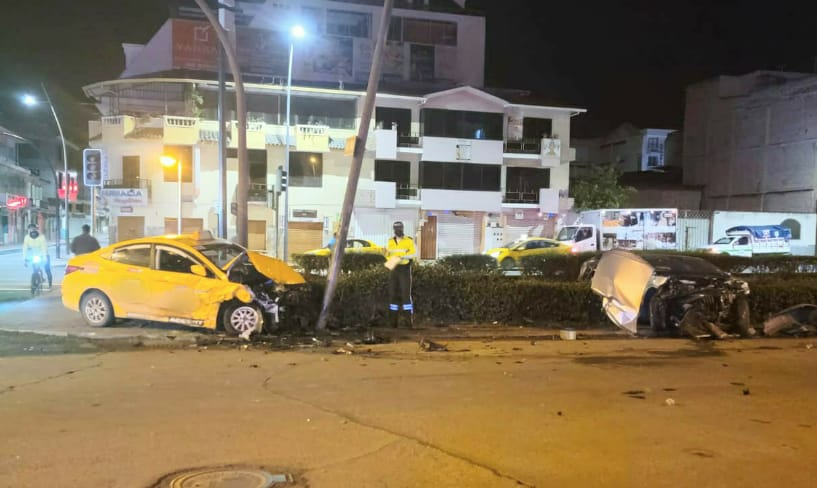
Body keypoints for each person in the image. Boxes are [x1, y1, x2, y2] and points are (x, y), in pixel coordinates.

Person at [386, 221, 417, 328]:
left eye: (399, 228)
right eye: (396, 228)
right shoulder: (390, 241)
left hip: (404, 269)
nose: (397, 230)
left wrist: (403, 257)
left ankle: (408, 322)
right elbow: (389, 255)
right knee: (392, 295)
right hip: (393, 268)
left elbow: (414, 254)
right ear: (393, 229)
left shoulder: (409, 240)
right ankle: (392, 322)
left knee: (405, 295)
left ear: (403, 229)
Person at [22, 224, 52, 289]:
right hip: (34, 256)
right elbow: (25, 248)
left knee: (47, 270)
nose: (32, 230)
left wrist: (45, 258)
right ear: (28, 230)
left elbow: (44, 248)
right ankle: (35, 281)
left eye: (33, 228)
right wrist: (24, 259)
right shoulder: (27, 238)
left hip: (44, 255)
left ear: (36, 229)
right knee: (35, 269)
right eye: (30, 229)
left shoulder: (41, 237)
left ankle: (50, 284)